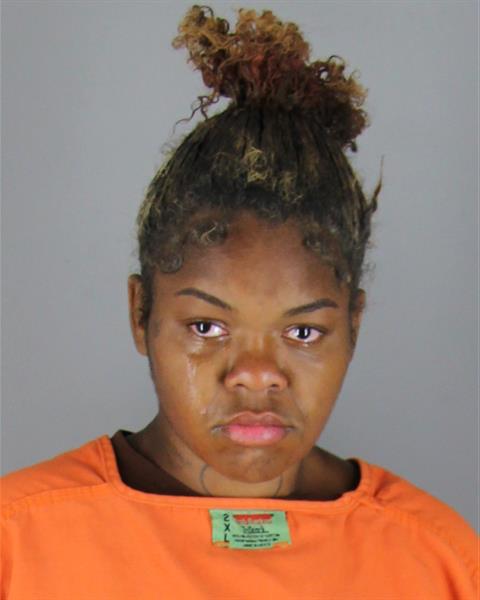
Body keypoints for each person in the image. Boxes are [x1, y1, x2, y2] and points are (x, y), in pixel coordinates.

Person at [1, 5, 478, 599]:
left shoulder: (438, 562)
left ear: (354, 325)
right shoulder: (18, 543)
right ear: (140, 314)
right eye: (206, 326)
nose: (256, 374)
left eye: (303, 332)